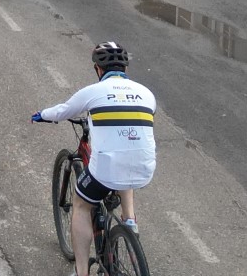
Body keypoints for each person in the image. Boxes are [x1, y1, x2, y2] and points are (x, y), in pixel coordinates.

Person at [32, 43, 156, 273]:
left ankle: (81, 270)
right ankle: (129, 221)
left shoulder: (93, 92)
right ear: (125, 69)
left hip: (107, 170)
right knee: (126, 161)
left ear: (98, 69)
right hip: (144, 168)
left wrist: (41, 115)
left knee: (81, 205)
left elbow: (63, 111)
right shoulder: (146, 93)